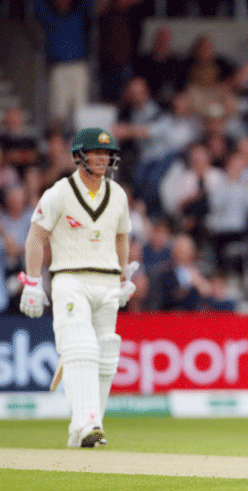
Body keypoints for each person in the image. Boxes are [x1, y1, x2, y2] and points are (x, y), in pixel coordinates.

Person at [18, 127, 134, 448]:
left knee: (106, 353)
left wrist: (124, 277)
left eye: (106, 153)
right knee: (82, 348)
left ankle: (80, 428)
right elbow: (35, 237)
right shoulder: (58, 193)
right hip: (70, 278)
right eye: (95, 152)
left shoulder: (118, 195)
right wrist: (31, 281)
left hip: (107, 280)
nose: (102, 158)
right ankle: (89, 424)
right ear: (78, 156)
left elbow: (122, 238)